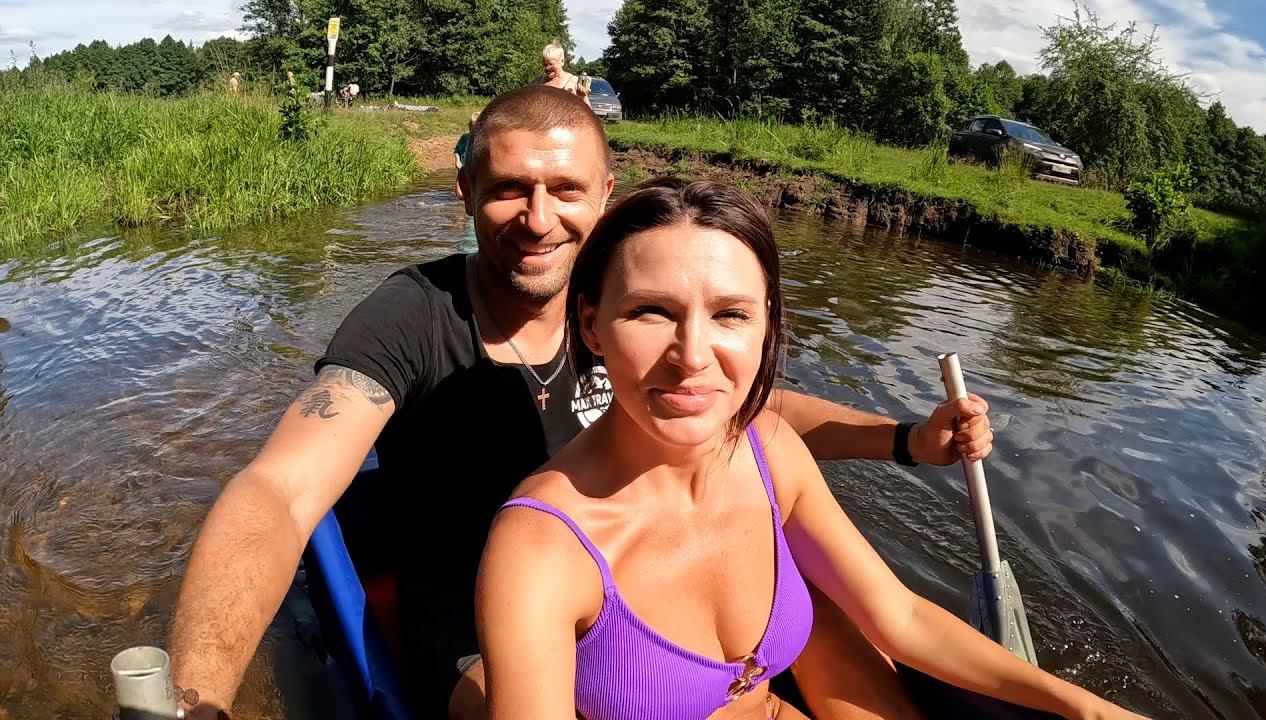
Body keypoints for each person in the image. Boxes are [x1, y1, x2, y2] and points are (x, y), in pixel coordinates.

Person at [168, 85, 994, 720]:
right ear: (464, 192)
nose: (538, 220)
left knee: (823, 612)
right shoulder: (412, 318)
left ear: (605, 194)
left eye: (565, 189)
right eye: (509, 189)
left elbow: (742, 406)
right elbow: (280, 491)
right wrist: (196, 700)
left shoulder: (630, 304)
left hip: (627, 586)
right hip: (470, 623)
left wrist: (905, 440)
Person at [476, 178, 1149, 720]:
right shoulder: (541, 551)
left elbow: (899, 617)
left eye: (731, 314)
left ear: (767, 327)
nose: (693, 356)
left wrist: (1083, 707)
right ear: (592, 323)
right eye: (652, 311)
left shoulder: (769, 450)